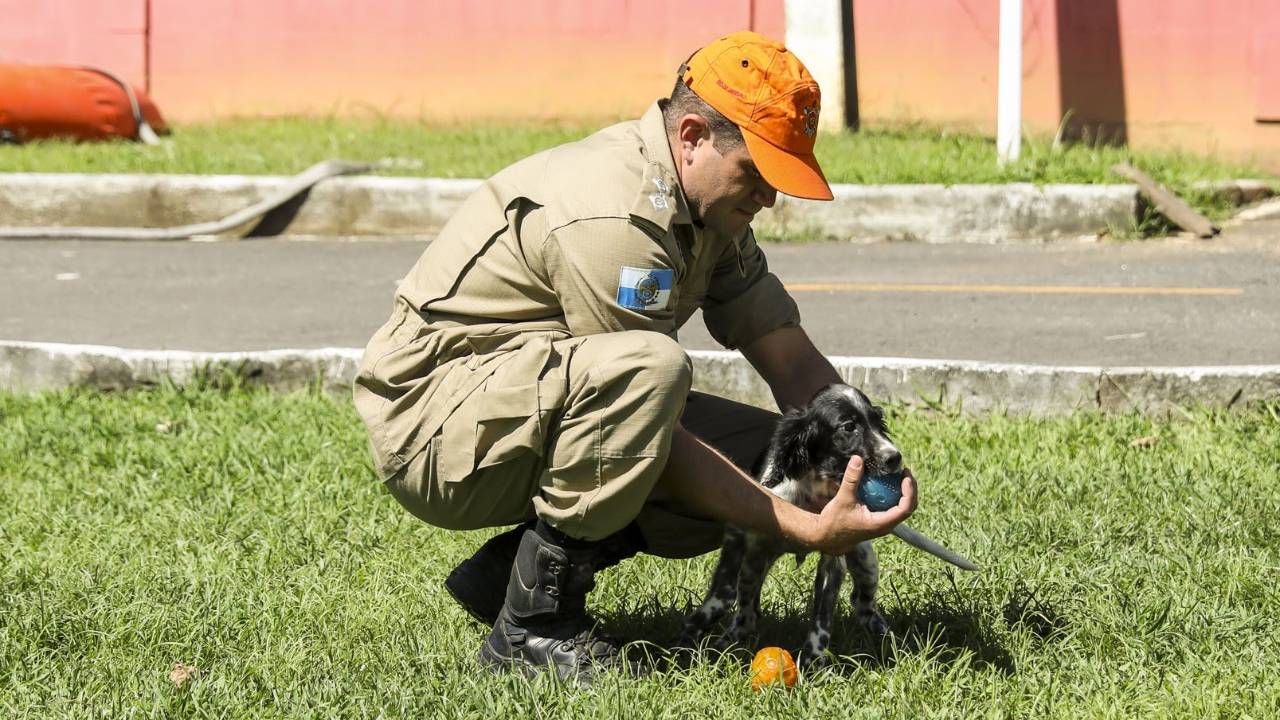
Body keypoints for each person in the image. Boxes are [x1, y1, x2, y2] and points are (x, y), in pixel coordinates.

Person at [353, 30, 917, 684]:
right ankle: (533, 629)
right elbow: (650, 428)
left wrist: (860, 459)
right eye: (759, 174)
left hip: (515, 404)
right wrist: (797, 521)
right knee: (654, 373)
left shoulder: (711, 210)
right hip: (432, 431)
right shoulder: (613, 212)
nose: (770, 197)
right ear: (694, 136)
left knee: (782, 455)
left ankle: (512, 572)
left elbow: (789, 359)